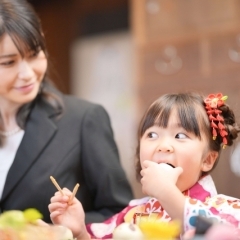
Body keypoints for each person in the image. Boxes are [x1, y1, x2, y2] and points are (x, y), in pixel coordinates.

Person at [0, 0, 133, 224]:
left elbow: (120, 214)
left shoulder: (83, 120)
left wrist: (64, 229)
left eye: (34, 54)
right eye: (9, 62)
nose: (27, 73)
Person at [49, 92, 240, 239]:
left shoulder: (228, 209)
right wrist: (80, 231)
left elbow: (221, 234)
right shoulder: (133, 213)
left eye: (180, 136)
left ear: (207, 159)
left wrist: (167, 193)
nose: (163, 146)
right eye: (152, 135)